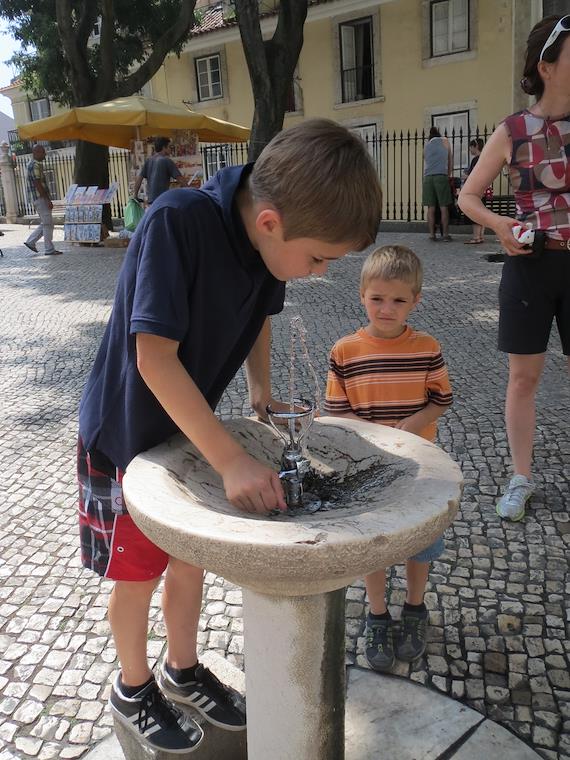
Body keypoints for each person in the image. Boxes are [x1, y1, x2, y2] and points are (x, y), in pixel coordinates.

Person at [78, 118, 383, 753]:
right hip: (125, 435)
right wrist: (231, 460)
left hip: (187, 435)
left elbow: (260, 315)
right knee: (138, 573)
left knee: (189, 559)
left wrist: (261, 392)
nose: (320, 272)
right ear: (270, 222)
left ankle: (183, 669)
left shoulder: (264, 241)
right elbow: (153, 359)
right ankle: (132, 686)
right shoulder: (177, 223)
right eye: (319, 258)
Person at [459, 14, 570, 522]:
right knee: (523, 378)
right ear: (546, 66)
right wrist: (500, 226)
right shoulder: (513, 130)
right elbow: (467, 197)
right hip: (530, 266)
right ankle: (520, 477)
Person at [324, 245, 453, 671]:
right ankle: (377, 613)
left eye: (399, 300)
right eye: (377, 298)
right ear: (362, 295)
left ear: (416, 300)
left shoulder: (426, 347)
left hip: (420, 465)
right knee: (374, 543)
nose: (386, 308)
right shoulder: (345, 351)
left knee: (421, 541)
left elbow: (440, 399)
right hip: (368, 467)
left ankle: (415, 607)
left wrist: (413, 424)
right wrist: (375, 437)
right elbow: (336, 412)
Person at [24, 145, 63, 256]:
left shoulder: (31, 164)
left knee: (46, 223)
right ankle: (49, 249)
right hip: (40, 198)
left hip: (37, 198)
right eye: (43, 152)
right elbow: (38, 184)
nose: (45, 154)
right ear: (36, 152)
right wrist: (47, 200)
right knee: (48, 224)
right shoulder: (35, 165)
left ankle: (30, 242)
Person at [133, 136, 188, 203]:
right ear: (164, 147)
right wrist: (190, 191)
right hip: (162, 200)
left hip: (151, 201)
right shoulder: (166, 161)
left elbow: (139, 179)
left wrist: (135, 195)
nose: (170, 149)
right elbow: (180, 179)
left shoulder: (148, 161)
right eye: (169, 147)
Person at [423, 126, 453, 242]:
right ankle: (445, 234)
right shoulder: (445, 141)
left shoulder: (426, 145)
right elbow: (449, 160)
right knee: (443, 207)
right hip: (441, 176)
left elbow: (426, 161)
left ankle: (431, 234)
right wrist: (448, 175)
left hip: (428, 177)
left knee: (431, 208)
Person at [462, 138, 487, 244]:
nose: (470, 150)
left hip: (475, 190)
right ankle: (481, 236)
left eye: (471, 147)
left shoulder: (476, 159)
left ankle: (476, 237)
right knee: (481, 212)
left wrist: (465, 176)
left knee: (475, 213)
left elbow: (474, 175)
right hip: (483, 189)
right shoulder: (485, 158)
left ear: (475, 146)